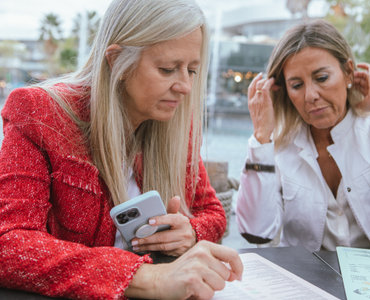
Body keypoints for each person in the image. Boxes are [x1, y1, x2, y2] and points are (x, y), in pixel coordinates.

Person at [0, 0, 243, 299]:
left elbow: (214, 214)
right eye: (168, 69)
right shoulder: (40, 113)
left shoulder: (176, 122)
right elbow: (9, 244)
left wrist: (190, 233)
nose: (185, 87)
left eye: (191, 71)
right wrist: (149, 277)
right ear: (116, 61)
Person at [236, 19, 370, 252]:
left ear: (348, 72)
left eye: (321, 78)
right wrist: (260, 137)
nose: (311, 95)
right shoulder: (274, 147)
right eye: (297, 85)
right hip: (310, 281)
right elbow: (256, 233)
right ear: (285, 91)